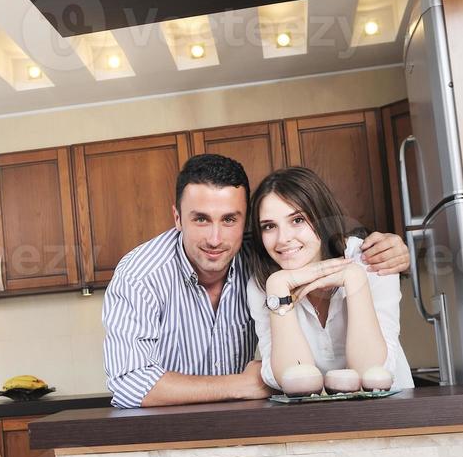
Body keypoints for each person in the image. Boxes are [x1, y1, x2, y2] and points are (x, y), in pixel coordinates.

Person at [103, 154, 410, 408]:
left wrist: (388, 251)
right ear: (177, 217)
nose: (215, 238)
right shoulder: (142, 275)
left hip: (378, 414)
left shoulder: (268, 256)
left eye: (229, 219)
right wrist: (241, 384)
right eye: (200, 219)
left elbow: (373, 371)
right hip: (173, 427)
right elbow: (130, 384)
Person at [246, 166, 413, 391]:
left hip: (392, 415)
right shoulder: (264, 284)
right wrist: (278, 286)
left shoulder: (374, 258)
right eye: (269, 226)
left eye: (297, 220)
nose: (283, 239)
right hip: (319, 421)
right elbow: (294, 380)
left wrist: (355, 278)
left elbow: (371, 374)